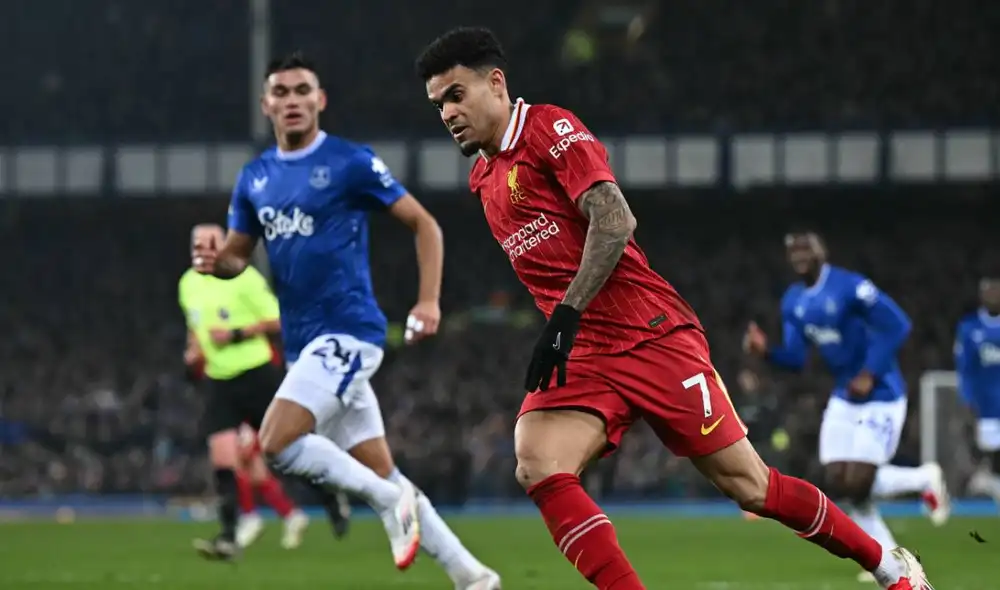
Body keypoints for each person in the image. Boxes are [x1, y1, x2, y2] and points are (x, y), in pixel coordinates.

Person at [414, 26, 931, 590]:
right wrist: (570, 324)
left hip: (652, 335)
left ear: (496, 83)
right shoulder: (482, 177)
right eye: (438, 103)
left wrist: (565, 315)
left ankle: (891, 570)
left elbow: (615, 221)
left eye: (456, 95)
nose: (447, 113)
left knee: (751, 486)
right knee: (537, 460)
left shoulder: (549, 128)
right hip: (587, 351)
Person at [192, 52, 500, 588]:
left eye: (301, 90)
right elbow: (238, 256)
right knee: (384, 469)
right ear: (267, 104)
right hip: (304, 345)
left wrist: (427, 301)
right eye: (281, 93)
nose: (291, 101)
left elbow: (424, 225)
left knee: (277, 443)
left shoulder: (349, 162)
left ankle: (387, 503)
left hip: (350, 331)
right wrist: (216, 264)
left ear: (319, 100)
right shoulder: (255, 178)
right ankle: (473, 577)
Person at [743, 232, 949, 582]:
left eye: (806, 248)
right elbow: (796, 359)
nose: (799, 256)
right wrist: (767, 353)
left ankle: (924, 478)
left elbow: (898, 324)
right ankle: (890, 560)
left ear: (823, 251)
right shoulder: (793, 301)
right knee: (839, 480)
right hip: (844, 396)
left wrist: (870, 371)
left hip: (882, 393)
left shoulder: (849, 286)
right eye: (793, 251)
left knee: (858, 481)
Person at [179, 230, 309, 556]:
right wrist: (193, 351)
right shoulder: (188, 284)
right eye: (197, 245)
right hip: (220, 383)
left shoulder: (244, 279)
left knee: (280, 452)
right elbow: (196, 329)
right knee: (230, 458)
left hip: (257, 378)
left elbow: (278, 319)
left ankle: (315, 501)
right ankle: (235, 530)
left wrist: (237, 334)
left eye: (210, 244)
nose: (203, 251)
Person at [958, 274, 1000, 506]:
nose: (993, 295)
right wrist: (966, 400)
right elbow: (964, 369)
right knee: (985, 454)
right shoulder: (969, 328)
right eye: (988, 290)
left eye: (997, 290)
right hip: (984, 407)